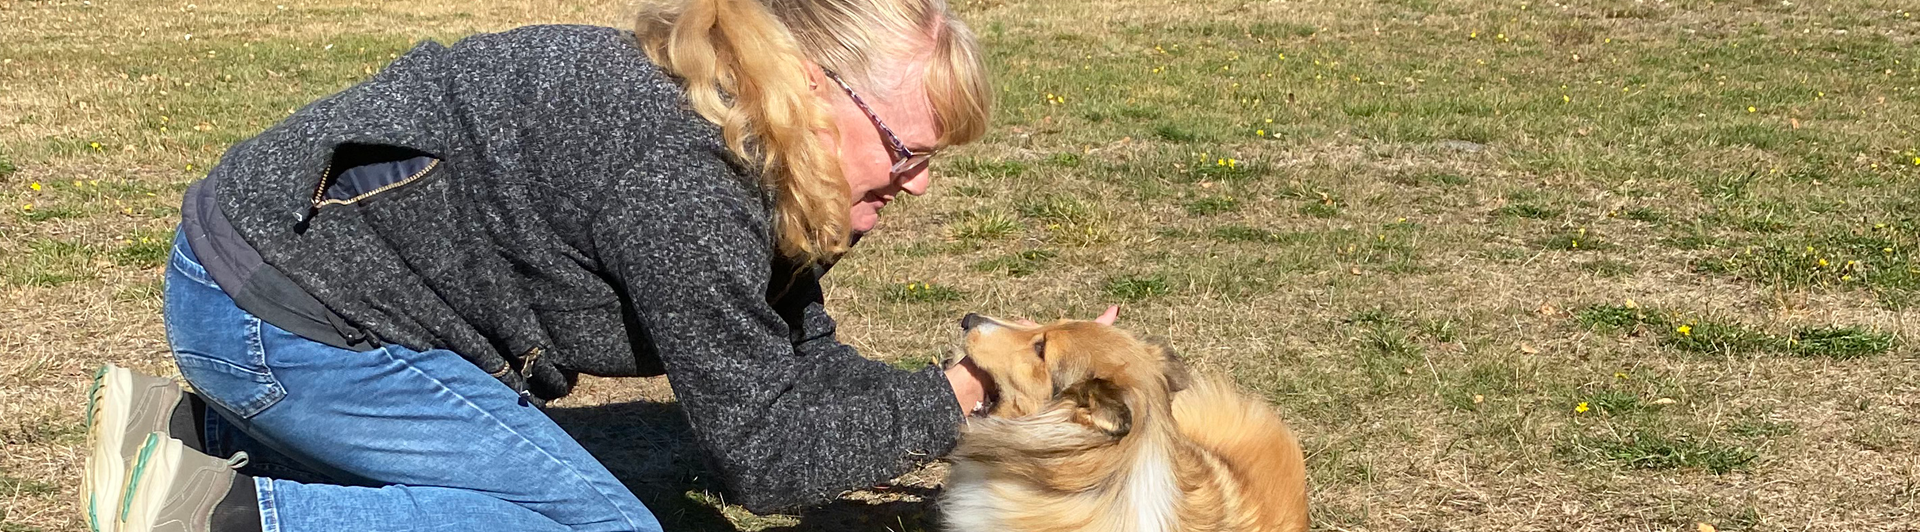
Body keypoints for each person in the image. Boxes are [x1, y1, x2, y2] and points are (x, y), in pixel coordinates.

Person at [76, 0, 1108, 530]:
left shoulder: (748, 137)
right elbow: (763, 459)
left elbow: (798, 360)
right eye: (909, 150)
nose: (918, 183)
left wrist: (983, 409)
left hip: (273, 281)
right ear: (816, 85)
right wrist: (967, 392)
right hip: (281, 316)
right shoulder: (685, 179)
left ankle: (192, 435)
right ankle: (216, 513)